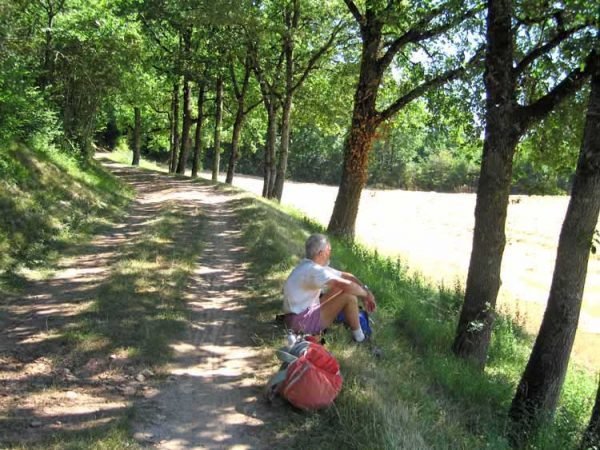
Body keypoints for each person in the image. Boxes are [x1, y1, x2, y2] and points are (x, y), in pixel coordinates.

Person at [283, 233, 376, 342]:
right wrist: (366, 295)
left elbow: (347, 276)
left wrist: (365, 290)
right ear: (321, 253)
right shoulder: (314, 270)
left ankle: (356, 330)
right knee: (349, 297)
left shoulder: (308, 266)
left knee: (339, 287)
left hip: (296, 317)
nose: (330, 254)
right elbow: (347, 285)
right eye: (329, 250)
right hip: (301, 322)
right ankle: (361, 338)